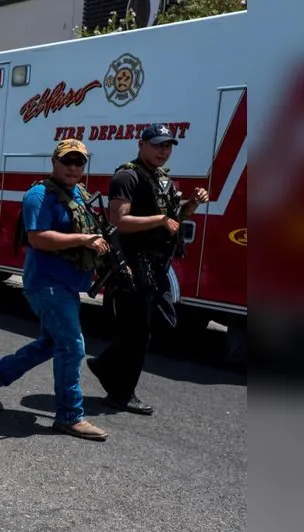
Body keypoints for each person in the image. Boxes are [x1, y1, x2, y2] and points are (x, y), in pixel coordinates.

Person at [0, 138, 110, 441]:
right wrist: (83, 240)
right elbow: (38, 238)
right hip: (47, 285)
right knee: (73, 347)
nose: (74, 167)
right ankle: (70, 416)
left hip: (69, 285)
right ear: (54, 162)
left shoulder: (80, 194)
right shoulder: (39, 194)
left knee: (50, 344)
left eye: (79, 162)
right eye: (68, 161)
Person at [87, 124, 210, 415]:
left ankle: (105, 364)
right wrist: (158, 220)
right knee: (140, 333)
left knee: (157, 324)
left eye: (168, 146)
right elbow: (120, 220)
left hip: (157, 264)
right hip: (132, 262)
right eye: (157, 145)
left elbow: (176, 215)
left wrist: (192, 203)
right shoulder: (126, 177)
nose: (163, 151)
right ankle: (121, 393)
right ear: (141, 144)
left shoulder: (162, 179)